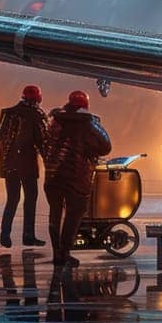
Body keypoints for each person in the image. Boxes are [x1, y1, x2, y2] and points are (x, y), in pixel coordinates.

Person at [42, 90, 111, 267]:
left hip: (53, 176)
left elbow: (45, 143)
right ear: (85, 105)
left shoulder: (55, 121)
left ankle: (57, 253)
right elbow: (106, 147)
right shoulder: (88, 123)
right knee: (74, 214)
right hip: (76, 177)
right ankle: (65, 252)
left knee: (55, 213)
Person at [0, 84, 49, 249]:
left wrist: (6, 162)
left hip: (10, 165)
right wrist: (50, 160)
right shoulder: (37, 115)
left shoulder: (7, 114)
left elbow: (0, 138)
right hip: (28, 166)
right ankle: (28, 235)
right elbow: (42, 141)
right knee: (30, 199)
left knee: (12, 199)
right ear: (37, 99)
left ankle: (5, 233)